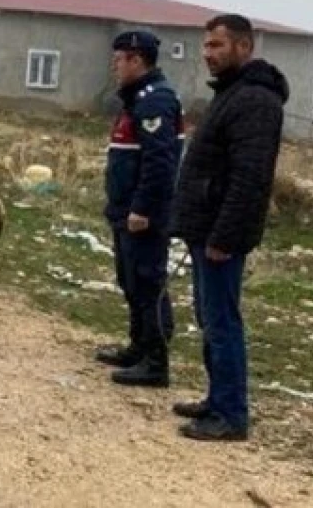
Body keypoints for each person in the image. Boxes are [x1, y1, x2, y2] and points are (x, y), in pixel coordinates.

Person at [170, 14, 288, 442]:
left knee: (222, 322)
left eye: (217, 46)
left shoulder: (255, 100)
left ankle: (231, 414)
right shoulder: (231, 93)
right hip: (206, 228)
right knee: (209, 317)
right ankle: (216, 399)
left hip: (221, 235)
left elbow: (250, 178)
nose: (208, 54)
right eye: (206, 46)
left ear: (244, 46)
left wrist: (225, 236)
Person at [95, 30, 182, 388]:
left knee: (148, 283)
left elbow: (160, 163)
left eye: (119, 60)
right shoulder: (135, 100)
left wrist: (142, 207)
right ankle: (138, 346)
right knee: (130, 280)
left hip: (143, 215)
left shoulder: (155, 101)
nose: (114, 67)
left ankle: (156, 361)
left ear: (137, 60)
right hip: (124, 209)